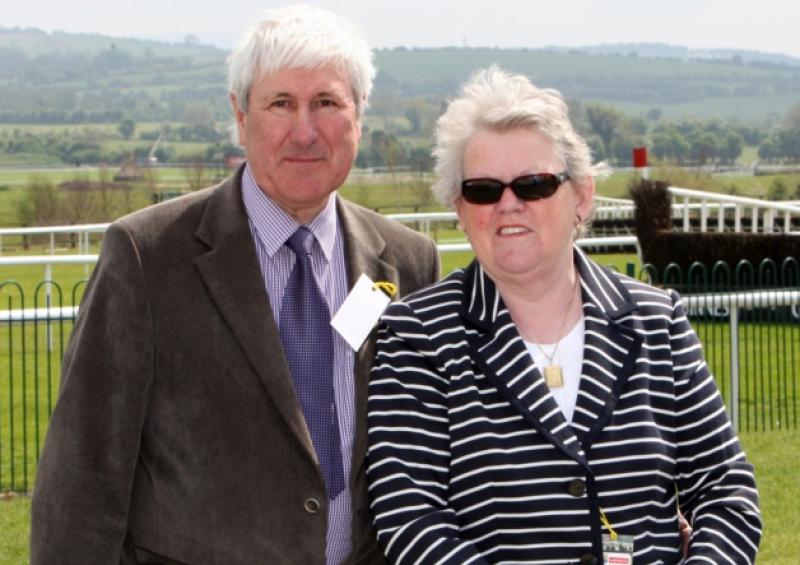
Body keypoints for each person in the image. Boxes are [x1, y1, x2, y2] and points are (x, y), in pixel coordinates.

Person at [30, 6, 439, 564]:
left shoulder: (407, 263)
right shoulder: (148, 256)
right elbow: (83, 476)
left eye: (326, 103)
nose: (305, 131)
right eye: (281, 103)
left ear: (359, 114)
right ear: (240, 116)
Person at [366, 67, 761, 564]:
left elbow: (725, 489)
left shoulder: (656, 322)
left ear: (582, 196)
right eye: (484, 190)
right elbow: (410, 516)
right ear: (460, 209)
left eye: (534, 185)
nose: (509, 205)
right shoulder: (418, 336)